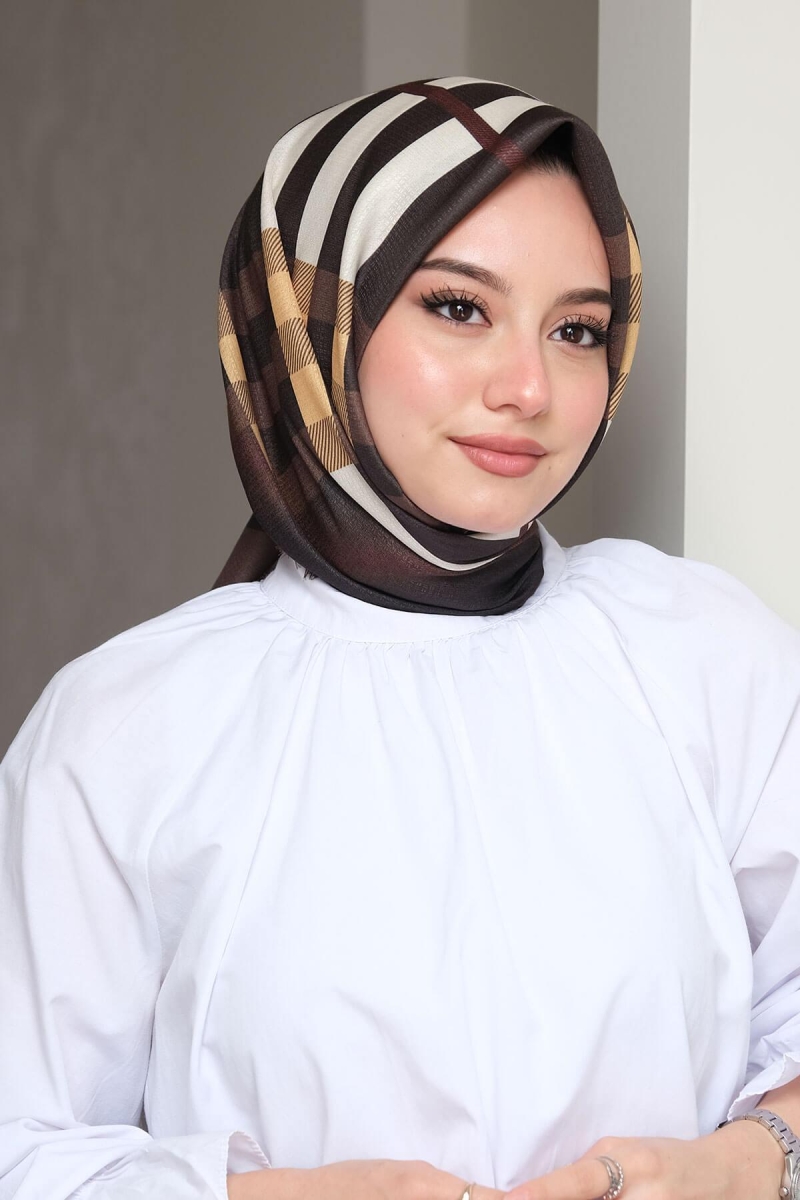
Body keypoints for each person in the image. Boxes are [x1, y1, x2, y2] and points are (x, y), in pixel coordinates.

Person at [1, 75, 799, 1200]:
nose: (529, 387)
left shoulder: (702, 651)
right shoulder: (128, 721)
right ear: (310, 325)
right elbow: (22, 1143)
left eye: (576, 329)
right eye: (459, 308)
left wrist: (744, 1161)